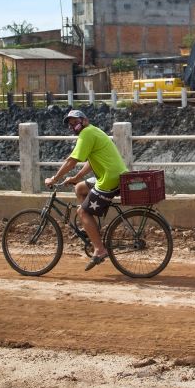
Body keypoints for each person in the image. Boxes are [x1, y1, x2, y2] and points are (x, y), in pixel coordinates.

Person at [44, 109, 128, 271]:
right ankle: (91, 228)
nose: (73, 126)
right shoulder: (93, 131)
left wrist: (54, 179)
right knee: (80, 188)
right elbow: (91, 161)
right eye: (70, 124)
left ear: (84, 120)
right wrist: (76, 178)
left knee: (82, 212)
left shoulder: (87, 133)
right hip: (110, 174)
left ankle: (100, 249)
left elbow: (72, 161)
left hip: (109, 178)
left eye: (75, 122)